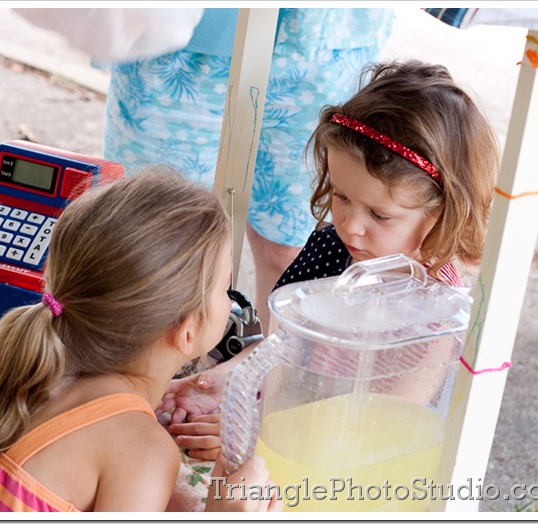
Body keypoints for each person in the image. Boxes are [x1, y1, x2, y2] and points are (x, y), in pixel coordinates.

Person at [0, 168, 280, 512]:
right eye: (226, 288)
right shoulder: (141, 451)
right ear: (187, 330)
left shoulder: (22, 375)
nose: (231, 301)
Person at [159, 58, 501, 430]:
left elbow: (376, 425)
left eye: (379, 215)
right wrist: (224, 382)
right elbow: (284, 346)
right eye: (341, 196)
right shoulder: (333, 247)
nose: (351, 226)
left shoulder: (437, 314)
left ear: (444, 212)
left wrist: (258, 427)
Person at [15, 7, 395, 332]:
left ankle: (257, 380)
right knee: (157, 243)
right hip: (183, 47)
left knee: (289, 246)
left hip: (326, 40)